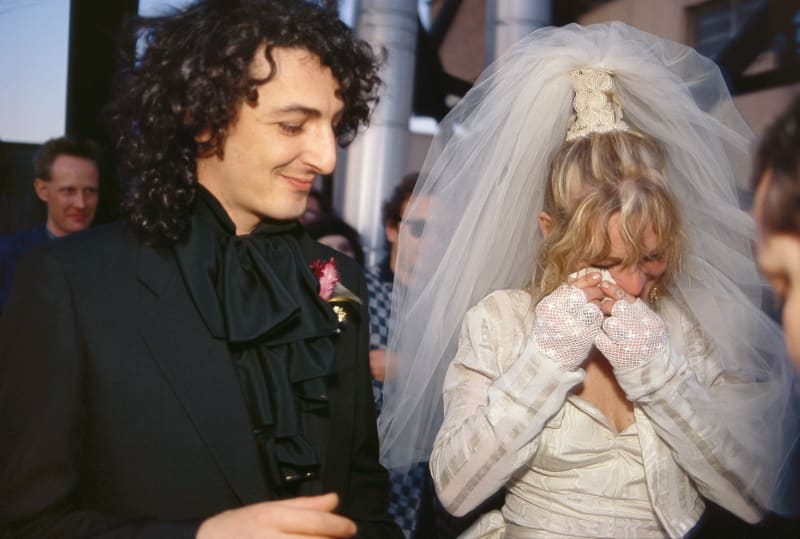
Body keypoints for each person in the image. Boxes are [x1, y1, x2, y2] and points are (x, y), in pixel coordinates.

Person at [378, 22, 800, 538]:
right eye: (603, 262)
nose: (632, 285)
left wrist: (660, 376)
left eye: (651, 258)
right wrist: (545, 360)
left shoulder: (698, 327)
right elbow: (455, 489)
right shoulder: (502, 320)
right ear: (550, 232)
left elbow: (751, 498)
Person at [0, 1, 402, 538]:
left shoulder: (338, 280)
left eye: (332, 124)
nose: (326, 157)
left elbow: (364, 495)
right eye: (292, 125)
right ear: (200, 117)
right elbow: (27, 521)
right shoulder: (69, 282)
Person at [0, 135, 101, 313]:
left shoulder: (113, 259)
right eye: (69, 190)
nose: (81, 203)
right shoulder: (8, 255)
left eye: (90, 191)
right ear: (42, 190)